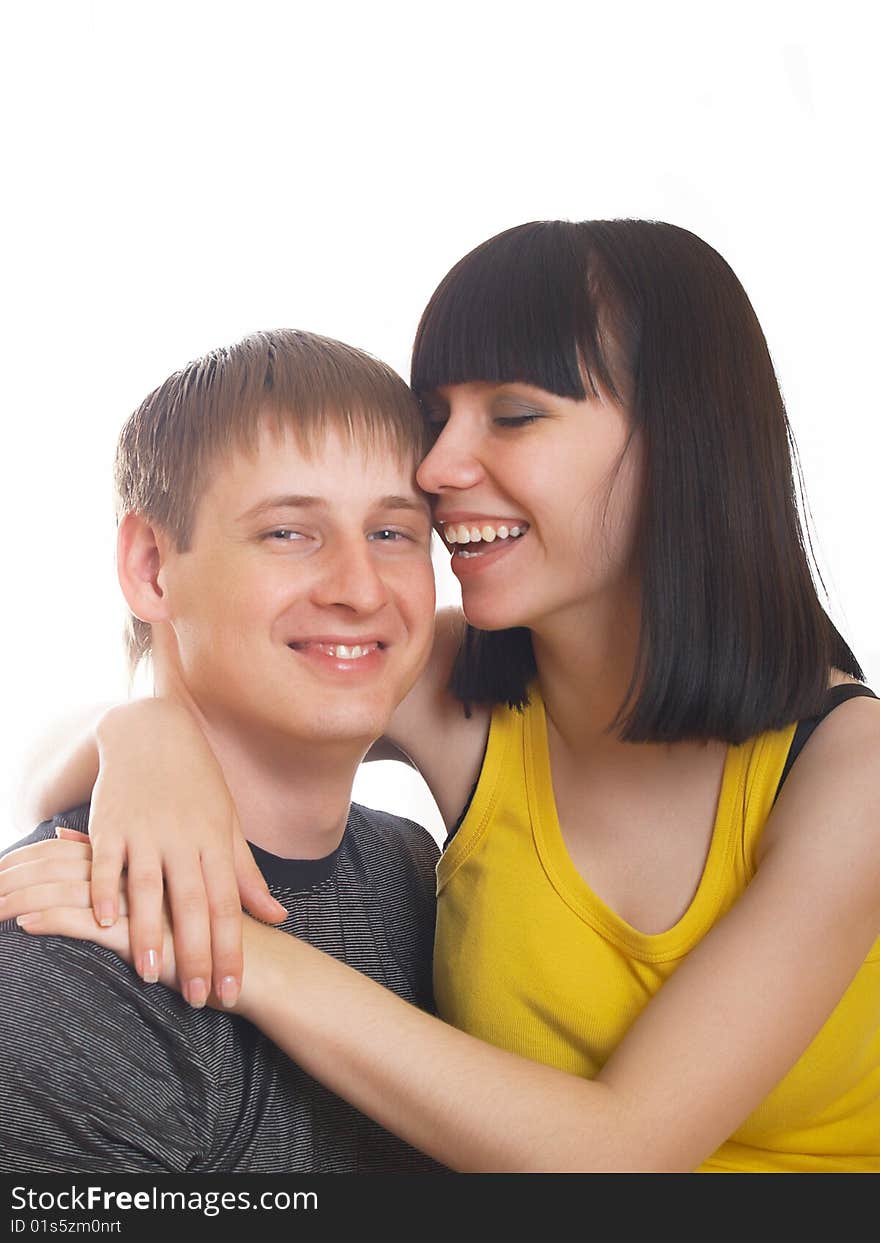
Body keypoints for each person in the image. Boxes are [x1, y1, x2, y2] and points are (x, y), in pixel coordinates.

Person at [7, 220, 880, 1173]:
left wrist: (234, 956)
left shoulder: (851, 768)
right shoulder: (455, 681)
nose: (434, 470)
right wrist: (146, 734)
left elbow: (621, 1155)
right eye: (438, 416)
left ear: (681, 441)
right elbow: (205, 687)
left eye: (512, 415)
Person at [0, 328, 445, 1174]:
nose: (359, 587)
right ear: (151, 566)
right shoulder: (66, 965)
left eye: (394, 534)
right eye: (288, 533)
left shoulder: (417, 874)